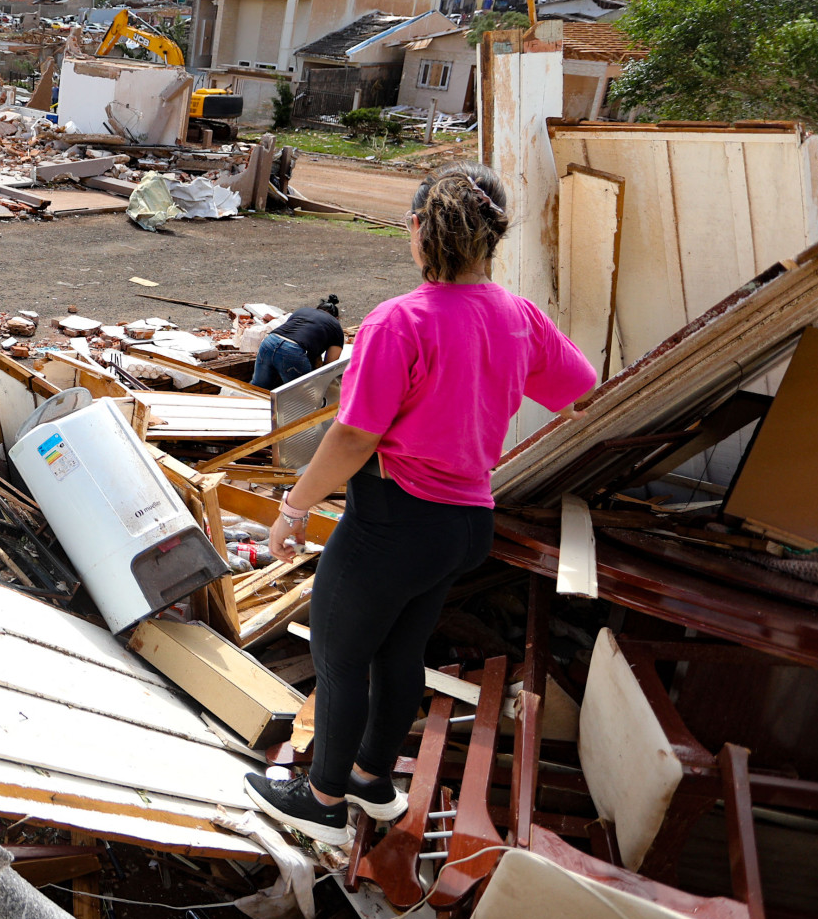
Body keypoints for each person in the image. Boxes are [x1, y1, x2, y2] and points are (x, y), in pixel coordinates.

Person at [243, 163, 596, 845]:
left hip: (395, 521)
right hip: (465, 524)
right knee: (399, 654)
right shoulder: (519, 317)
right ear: (492, 237)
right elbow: (581, 396)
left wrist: (293, 507)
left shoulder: (399, 321)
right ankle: (374, 784)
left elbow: (353, 436)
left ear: (419, 229)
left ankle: (321, 801)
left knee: (339, 656)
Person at [252, 295, 344, 390]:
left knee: (258, 389)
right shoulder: (336, 326)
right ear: (336, 318)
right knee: (301, 396)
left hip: (269, 342)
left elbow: (288, 334)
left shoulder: (303, 311)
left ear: (317, 309)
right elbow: (329, 366)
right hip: (292, 351)